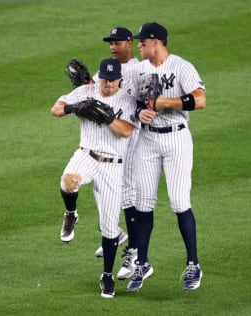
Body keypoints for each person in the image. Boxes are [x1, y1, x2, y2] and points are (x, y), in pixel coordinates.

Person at [125, 22, 207, 292]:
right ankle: (142, 264)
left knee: (179, 202)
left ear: (156, 42)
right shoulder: (139, 69)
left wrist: (165, 102)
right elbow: (130, 101)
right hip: (147, 139)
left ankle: (193, 264)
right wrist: (139, 113)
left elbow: (200, 99)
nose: (138, 45)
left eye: (142, 42)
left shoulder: (182, 66)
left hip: (176, 139)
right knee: (142, 203)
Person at [51, 58, 136, 298]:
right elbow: (55, 109)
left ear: (120, 79)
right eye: (105, 79)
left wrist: (108, 118)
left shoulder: (127, 100)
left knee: (110, 229)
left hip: (113, 166)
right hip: (86, 155)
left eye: (113, 80)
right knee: (68, 181)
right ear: (100, 77)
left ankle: (107, 276)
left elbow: (127, 131)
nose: (108, 84)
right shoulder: (85, 91)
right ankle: (71, 213)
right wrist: (73, 108)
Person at [91, 27, 141, 282]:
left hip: (131, 138)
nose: (113, 46)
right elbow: (92, 92)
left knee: (127, 193)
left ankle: (134, 254)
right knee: (99, 185)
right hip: (105, 139)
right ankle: (114, 234)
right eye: (111, 42)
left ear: (129, 43)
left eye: (118, 42)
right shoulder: (108, 68)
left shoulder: (139, 69)